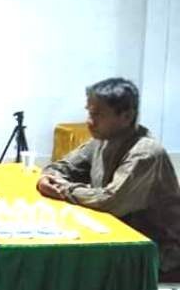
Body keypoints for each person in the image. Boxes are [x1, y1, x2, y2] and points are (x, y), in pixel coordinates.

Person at [37, 77, 180, 273]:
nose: (89, 121)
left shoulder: (145, 153)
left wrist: (62, 188)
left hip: (154, 251)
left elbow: (111, 201)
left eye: (97, 114)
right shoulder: (101, 141)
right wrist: (46, 178)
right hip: (115, 236)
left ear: (126, 117)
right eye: (89, 112)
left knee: (62, 265)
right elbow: (62, 167)